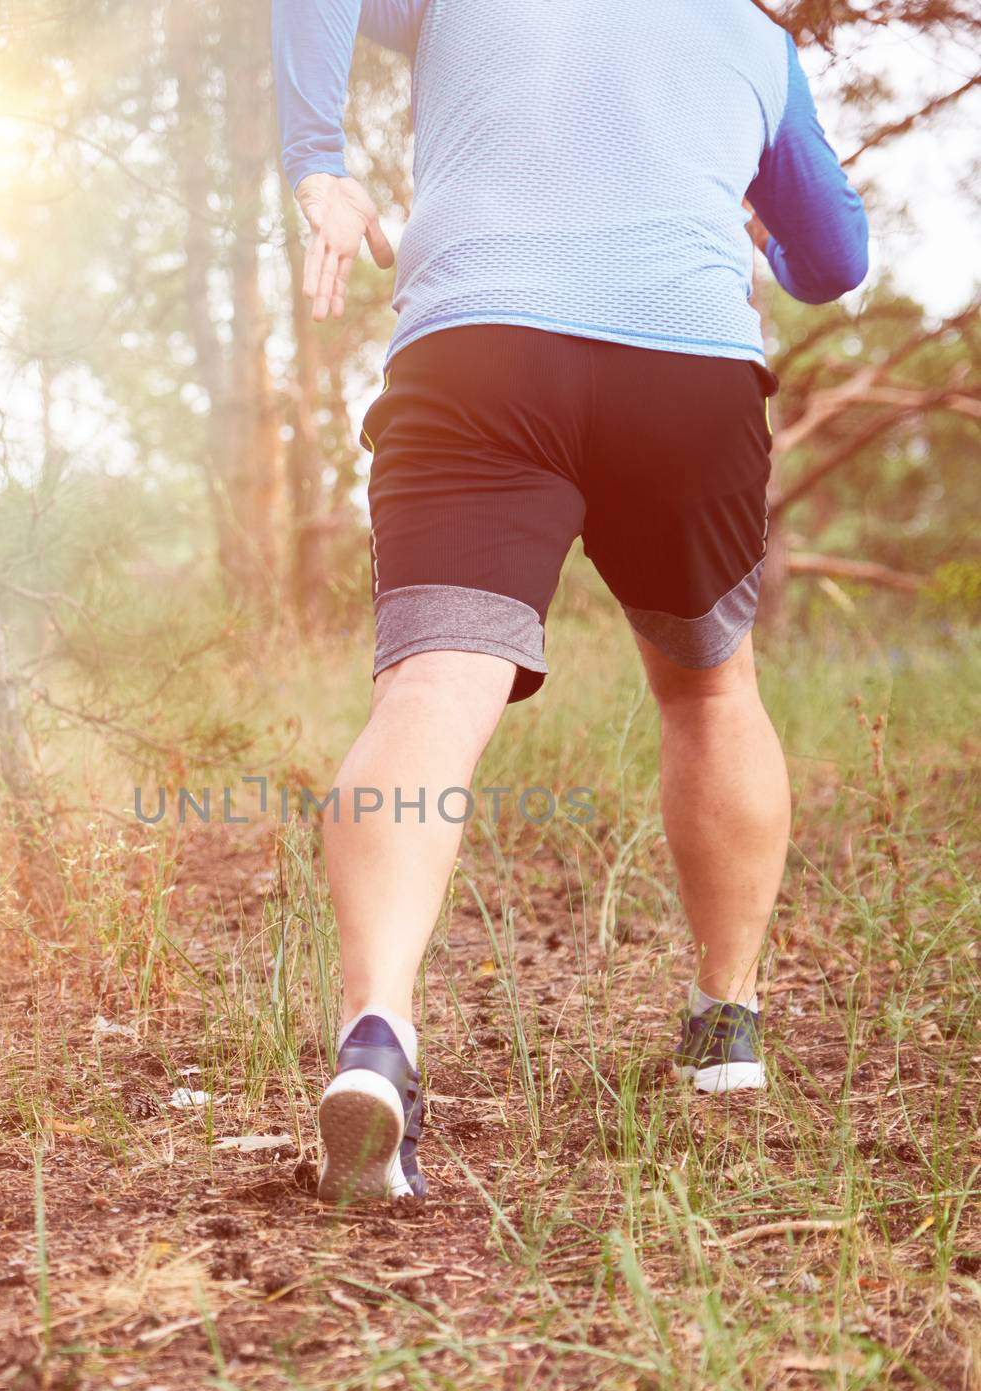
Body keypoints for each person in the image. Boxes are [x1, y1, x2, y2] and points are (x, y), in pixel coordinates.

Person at [271, 0, 868, 1203]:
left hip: (480, 352)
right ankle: (724, 1030)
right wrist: (767, 229)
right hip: (684, 369)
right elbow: (837, 262)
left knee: (433, 685)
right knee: (709, 686)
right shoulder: (753, 39)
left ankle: (378, 1038)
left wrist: (319, 166)